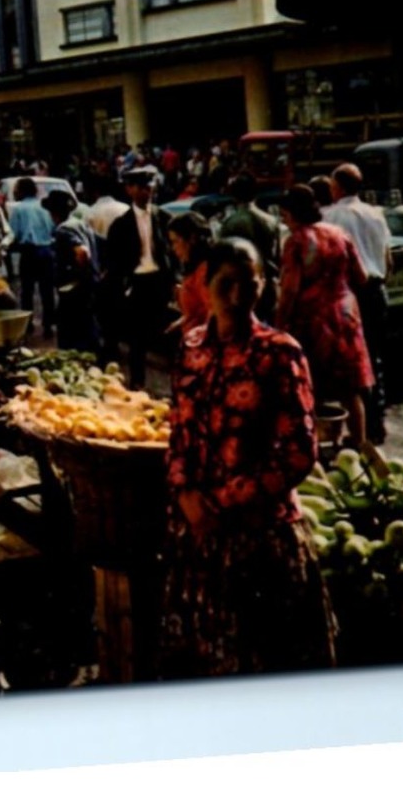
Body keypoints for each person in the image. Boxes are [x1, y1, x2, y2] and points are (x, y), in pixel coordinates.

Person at [159, 237, 336, 679]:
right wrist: (184, 494)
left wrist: (218, 502)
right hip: (198, 538)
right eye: (226, 284)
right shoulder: (190, 349)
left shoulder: (280, 353)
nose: (238, 297)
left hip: (260, 540)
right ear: (203, 286)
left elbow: (299, 452)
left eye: (250, 285)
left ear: (264, 286)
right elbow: (178, 431)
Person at [276, 184, 375, 446]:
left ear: (293, 214)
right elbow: (362, 277)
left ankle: (313, 447)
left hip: (313, 321)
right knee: (351, 388)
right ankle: (359, 444)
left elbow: (289, 290)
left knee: (311, 386)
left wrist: (278, 326)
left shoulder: (296, 240)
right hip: (346, 315)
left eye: (284, 214)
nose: (283, 220)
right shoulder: (340, 234)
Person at [321, 163, 393, 444]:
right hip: (377, 290)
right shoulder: (376, 215)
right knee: (375, 358)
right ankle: (377, 423)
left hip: (351, 293)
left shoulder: (332, 216)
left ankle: (359, 428)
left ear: (337, 186)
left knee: (354, 362)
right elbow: (387, 257)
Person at [104, 168, 172, 388]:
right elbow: (113, 261)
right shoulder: (120, 225)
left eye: (150, 185)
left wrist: (176, 279)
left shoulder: (164, 218)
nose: (147, 191)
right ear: (129, 190)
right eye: (141, 187)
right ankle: (138, 384)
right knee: (137, 338)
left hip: (160, 281)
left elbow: (174, 253)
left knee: (168, 335)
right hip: (137, 284)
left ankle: (175, 385)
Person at [44, 188, 100, 354]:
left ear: (53, 213)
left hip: (73, 293)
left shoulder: (63, 230)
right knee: (89, 334)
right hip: (90, 290)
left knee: (71, 343)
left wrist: (78, 275)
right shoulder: (82, 225)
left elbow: (82, 252)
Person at [218, 172, 280, 321]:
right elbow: (277, 255)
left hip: (243, 287)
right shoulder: (271, 220)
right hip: (269, 282)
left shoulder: (230, 223)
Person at [8, 177, 57, 337]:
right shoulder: (45, 207)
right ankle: (48, 325)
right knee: (47, 291)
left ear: (22, 191)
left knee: (27, 291)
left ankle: (27, 324)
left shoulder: (19, 209)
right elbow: (52, 229)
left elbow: (13, 234)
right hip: (47, 250)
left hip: (29, 252)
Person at [166, 211, 214, 335]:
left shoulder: (205, 271)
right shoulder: (195, 268)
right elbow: (197, 311)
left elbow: (214, 315)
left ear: (192, 238)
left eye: (176, 241)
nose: (173, 248)